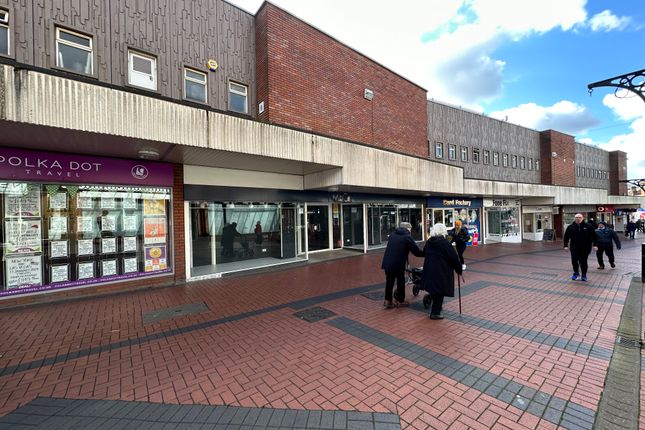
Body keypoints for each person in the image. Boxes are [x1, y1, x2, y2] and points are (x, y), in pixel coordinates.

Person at [420, 223, 463, 320]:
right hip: (441, 271)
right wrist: (459, 269)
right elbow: (454, 258)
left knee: (434, 289)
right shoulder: (445, 244)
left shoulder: (429, 242)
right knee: (440, 291)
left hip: (430, 270)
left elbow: (424, 252)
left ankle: (436, 308)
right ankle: (435, 313)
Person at [381, 222, 424, 308]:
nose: (410, 231)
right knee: (401, 281)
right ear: (407, 229)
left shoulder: (393, 235)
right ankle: (400, 300)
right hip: (398, 263)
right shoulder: (407, 237)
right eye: (410, 229)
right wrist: (426, 253)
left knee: (389, 282)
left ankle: (387, 300)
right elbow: (416, 252)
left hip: (387, 262)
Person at [563, 213, 596, 281]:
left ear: (582, 218)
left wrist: (595, 245)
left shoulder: (588, 226)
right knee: (574, 260)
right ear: (574, 218)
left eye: (579, 217)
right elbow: (566, 237)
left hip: (585, 247)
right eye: (576, 217)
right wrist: (565, 245)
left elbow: (594, 236)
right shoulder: (570, 227)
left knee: (583, 261)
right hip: (574, 247)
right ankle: (576, 273)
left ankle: (584, 275)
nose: (578, 219)